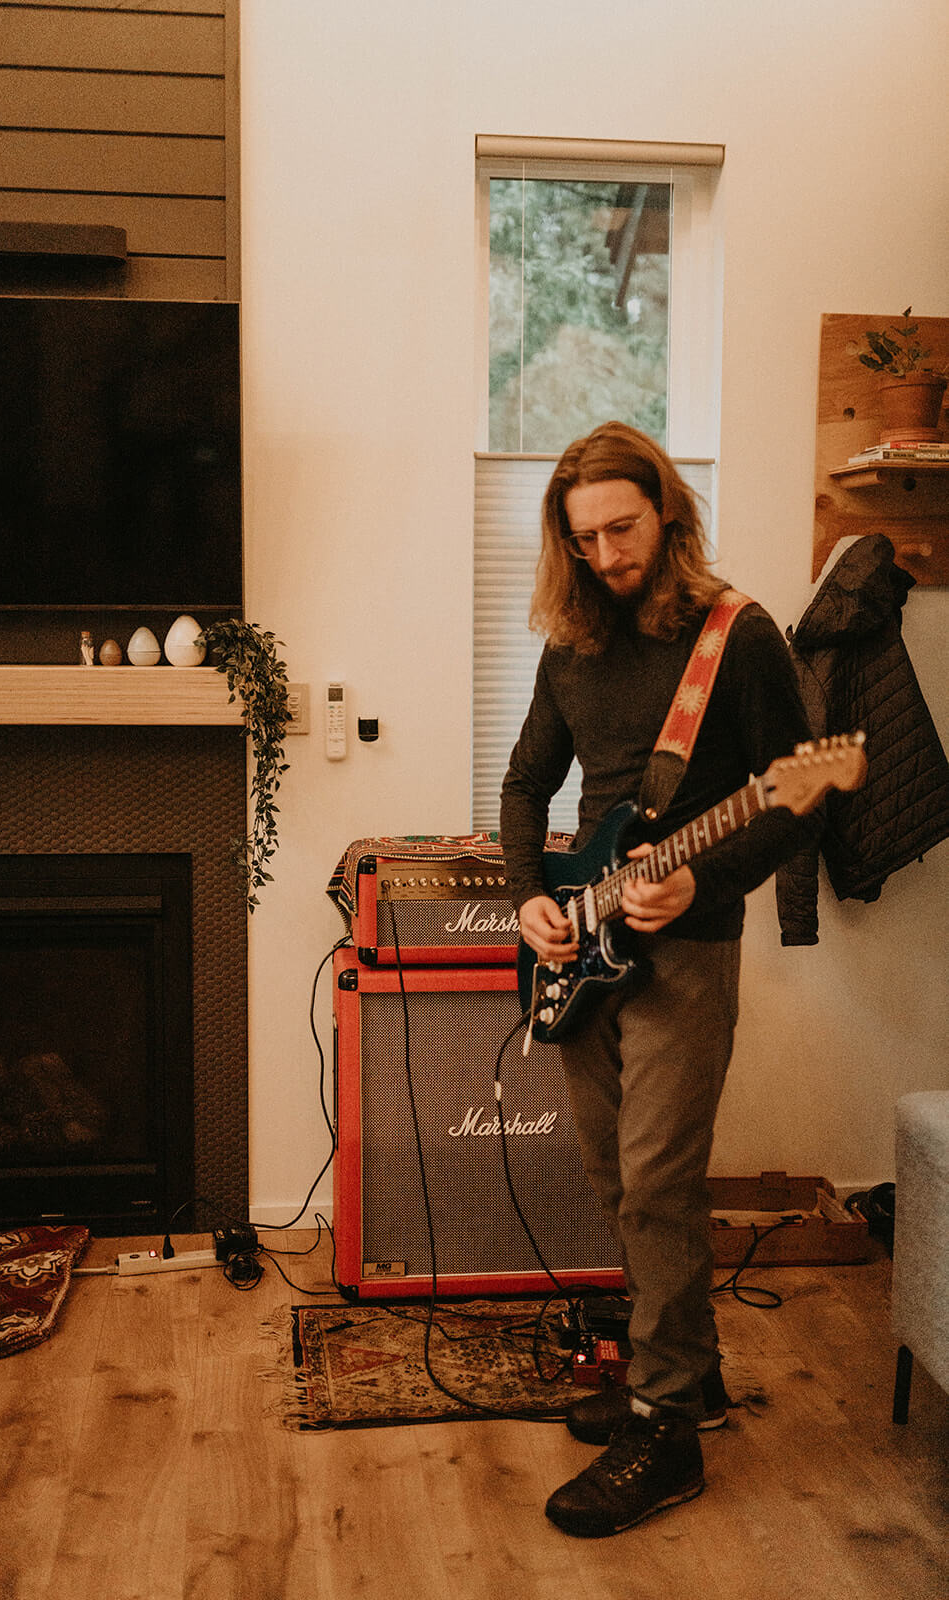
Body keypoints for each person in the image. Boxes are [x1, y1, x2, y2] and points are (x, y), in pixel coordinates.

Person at [499, 421, 814, 1539]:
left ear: (665, 511)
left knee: (656, 1183)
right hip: (579, 944)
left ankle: (666, 1426)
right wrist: (531, 892)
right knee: (605, 1172)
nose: (604, 554)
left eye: (620, 528)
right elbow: (525, 785)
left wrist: (699, 879)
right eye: (582, 538)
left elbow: (795, 795)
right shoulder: (569, 642)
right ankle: (695, 1373)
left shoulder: (738, 634)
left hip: (686, 945)